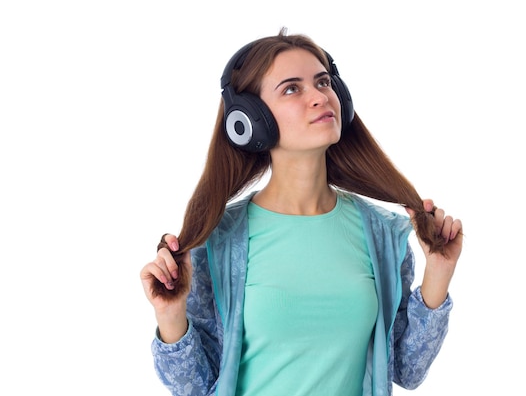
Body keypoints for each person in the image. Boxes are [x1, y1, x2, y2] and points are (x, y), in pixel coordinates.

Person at [140, 28, 463, 396]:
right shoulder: (218, 243)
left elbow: (407, 370)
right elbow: (196, 387)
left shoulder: (383, 234)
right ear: (250, 120)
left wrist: (438, 273)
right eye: (292, 88)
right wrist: (170, 316)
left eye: (324, 82)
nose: (319, 97)